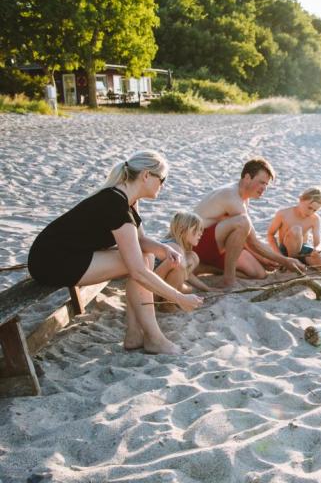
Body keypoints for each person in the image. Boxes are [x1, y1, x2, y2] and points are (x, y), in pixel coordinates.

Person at [27, 150, 203, 355]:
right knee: (139, 264)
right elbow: (137, 271)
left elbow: (139, 240)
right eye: (162, 179)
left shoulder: (125, 199)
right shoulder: (116, 207)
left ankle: (135, 334)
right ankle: (153, 338)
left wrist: (162, 248)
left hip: (63, 255)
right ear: (146, 175)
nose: (162, 185)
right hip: (51, 262)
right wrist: (178, 297)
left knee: (146, 256)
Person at [193, 157, 305, 287]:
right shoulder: (231, 195)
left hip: (216, 244)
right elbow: (252, 241)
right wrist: (285, 260)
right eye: (261, 182)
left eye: (266, 184)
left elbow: (244, 236)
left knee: (259, 274)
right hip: (197, 244)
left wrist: (263, 259)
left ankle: (204, 268)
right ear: (247, 177)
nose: (264, 188)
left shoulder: (244, 197)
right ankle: (229, 279)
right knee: (242, 221)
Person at [267, 187, 321, 268]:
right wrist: (278, 255)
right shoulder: (283, 214)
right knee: (296, 230)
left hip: (302, 250)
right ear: (301, 199)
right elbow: (270, 235)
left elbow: (318, 243)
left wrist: (317, 249)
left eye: (315, 210)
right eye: (309, 207)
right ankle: (291, 263)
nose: (311, 212)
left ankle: (298, 262)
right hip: (285, 251)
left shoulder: (315, 219)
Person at [154, 212, 211, 303]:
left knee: (192, 257)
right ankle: (168, 304)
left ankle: (176, 292)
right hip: (152, 291)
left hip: (158, 287)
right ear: (182, 230)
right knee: (180, 267)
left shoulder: (175, 244)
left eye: (201, 230)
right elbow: (181, 270)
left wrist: (207, 288)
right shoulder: (173, 246)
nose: (200, 234)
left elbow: (186, 274)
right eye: (196, 229)